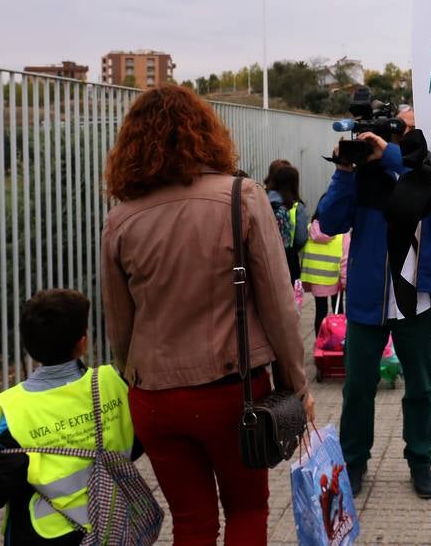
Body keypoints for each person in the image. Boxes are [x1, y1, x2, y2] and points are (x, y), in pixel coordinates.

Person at [100, 84, 314, 545]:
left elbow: (119, 326)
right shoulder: (242, 197)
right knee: (248, 508)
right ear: (206, 132)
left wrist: (137, 376)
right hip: (232, 391)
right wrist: (297, 385)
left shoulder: (120, 219)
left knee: (192, 522)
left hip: (155, 398)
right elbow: (279, 307)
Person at [316, 107, 431, 500]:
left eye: (410, 128)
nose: (401, 134)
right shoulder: (363, 178)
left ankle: (420, 461)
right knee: (358, 388)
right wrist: (345, 170)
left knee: (421, 388)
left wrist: (392, 156)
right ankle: (354, 462)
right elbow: (328, 223)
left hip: (415, 299)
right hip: (367, 302)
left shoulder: (428, 172)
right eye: (399, 127)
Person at [0, 289, 138, 545]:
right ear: (82, 343)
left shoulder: (16, 409)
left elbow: (1, 479)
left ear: (29, 347)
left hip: (43, 534)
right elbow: (135, 445)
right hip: (113, 522)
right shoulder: (113, 383)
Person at [301, 215, 349, 338]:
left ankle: (319, 343)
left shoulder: (310, 229)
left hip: (316, 278)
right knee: (338, 311)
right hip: (335, 278)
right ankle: (339, 342)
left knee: (320, 311)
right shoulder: (343, 232)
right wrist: (345, 280)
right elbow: (345, 260)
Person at [265, 160, 309, 285]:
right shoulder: (295, 206)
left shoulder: (261, 199)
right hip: (288, 259)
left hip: (263, 258)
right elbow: (301, 238)